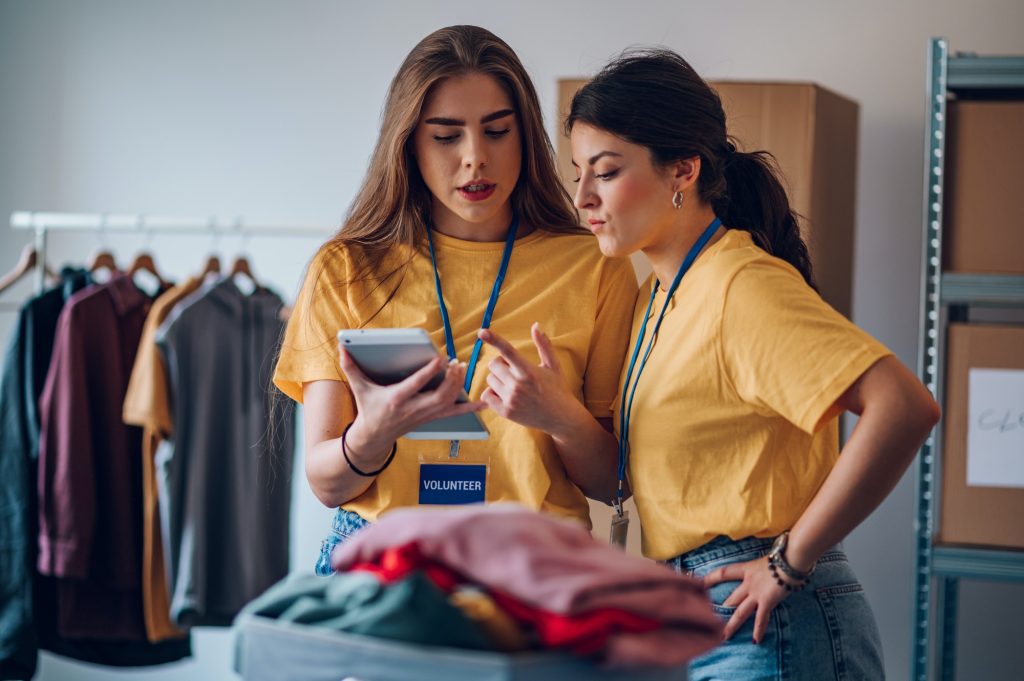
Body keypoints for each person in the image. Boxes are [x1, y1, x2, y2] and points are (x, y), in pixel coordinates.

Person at [565, 49, 941, 680]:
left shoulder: (742, 286)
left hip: (768, 620)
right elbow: (632, 479)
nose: (582, 197)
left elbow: (904, 407)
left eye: (604, 172)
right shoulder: (658, 296)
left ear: (682, 169)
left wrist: (788, 563)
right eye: (577, 172)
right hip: (699, 613)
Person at [272, 25, 638, 576]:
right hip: (385, 569)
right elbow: (327, 484)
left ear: (526, 136)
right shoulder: (347, 268)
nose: (475, 158)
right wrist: (373, 434)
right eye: (446, 136)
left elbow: (616, 481)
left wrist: (563, 418)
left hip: (535, 572)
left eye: (497, 131)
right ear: (409, 143)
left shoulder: (595, 265)